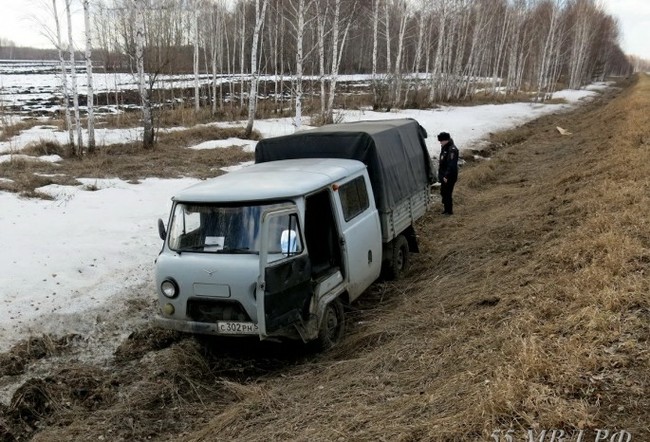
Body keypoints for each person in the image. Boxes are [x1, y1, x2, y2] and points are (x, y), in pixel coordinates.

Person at [437, 132, 459, 215]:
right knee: (443, 192)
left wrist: (446, 176)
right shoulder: (445, 147)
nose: (440, 142)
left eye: (441, 140)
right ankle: (446, 209)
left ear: (446, 140)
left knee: (447, 193)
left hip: (449, 176)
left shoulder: (452, 150)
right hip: (444, 175)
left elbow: (451, 164)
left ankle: (449, 211)